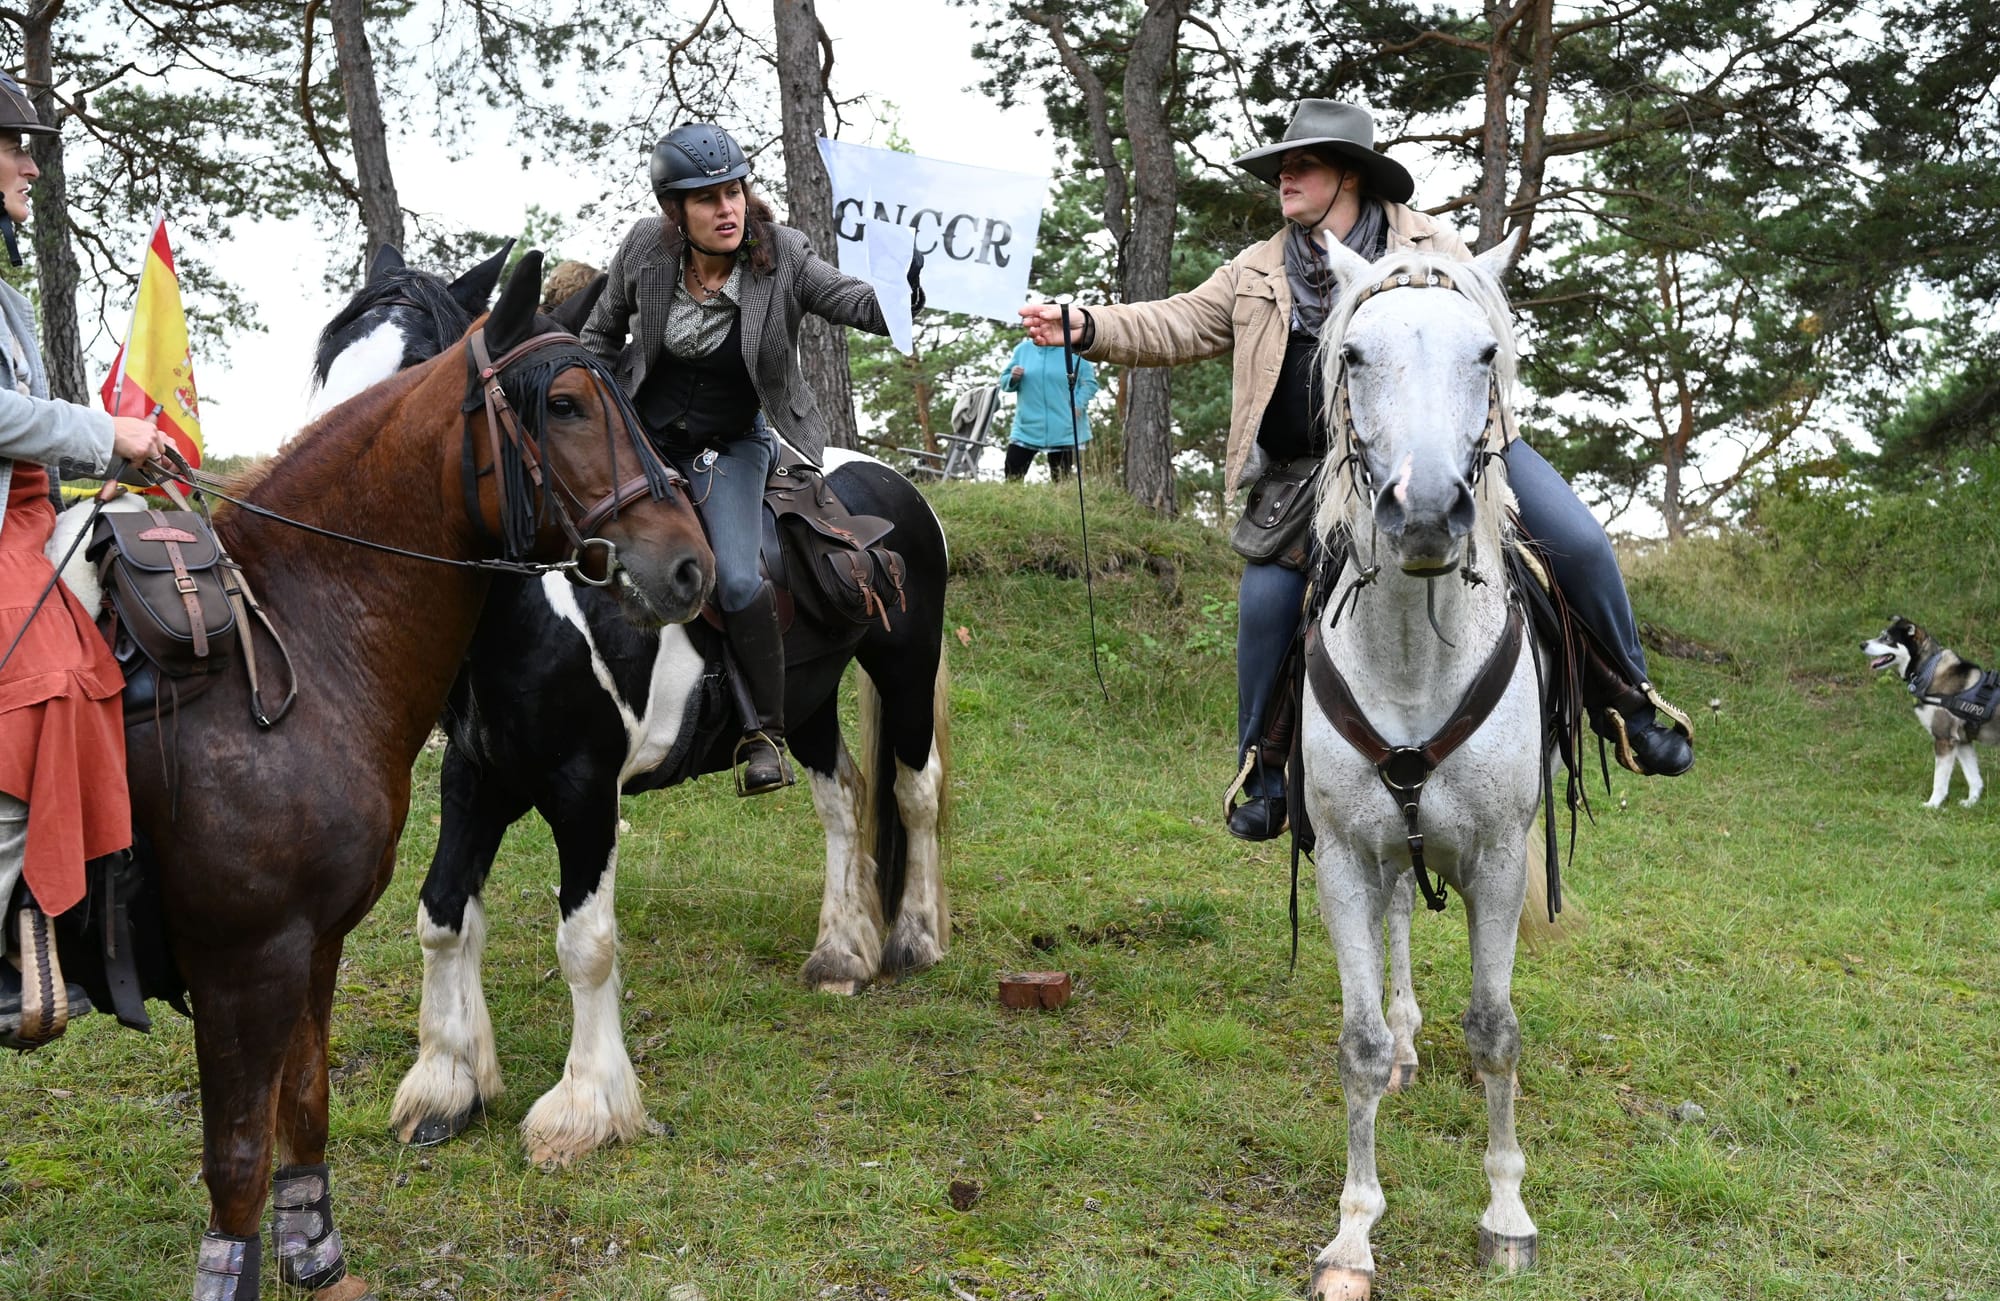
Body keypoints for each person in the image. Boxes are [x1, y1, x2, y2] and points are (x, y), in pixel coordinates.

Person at [1020, 99, 1694, 842]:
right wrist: (1083, 325)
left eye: (1302, 164)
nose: (1286, 176)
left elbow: (1482, 344)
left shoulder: (1431, 243)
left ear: (1349, 175)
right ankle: (1265, 766)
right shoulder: (1258, 269)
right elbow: (1177, 321)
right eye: (1281, 166)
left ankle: (1628, 703)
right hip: (1309, 470)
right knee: (1266, 603)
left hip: (1452, 452)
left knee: (1582, 540)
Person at [582, 123, 921, 795]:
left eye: (735, 190)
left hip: (728, 447)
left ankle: (763, 731)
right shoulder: (645, 251)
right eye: (709, 198)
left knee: (737, 578)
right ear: (674, 211)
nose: (728, 208)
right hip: (642, 441)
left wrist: (902, 287)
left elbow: (857, 303)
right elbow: (598, 334)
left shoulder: (784, 254)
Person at [0, 73, 177, 1044]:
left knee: (96, 669)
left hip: (28, 520)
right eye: (14, 145)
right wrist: (105, 433)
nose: (30, 163)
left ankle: (65, 922)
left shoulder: (9, 303)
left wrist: (81, 489)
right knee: (46, 681)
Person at [998, 334, 1096, 482]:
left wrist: (1078, 404)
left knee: (1061, 482)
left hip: (1064, 426)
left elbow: (1089, 384)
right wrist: (1013, 378)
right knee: (1012, 477)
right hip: (1026, 426)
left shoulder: (1074, 352)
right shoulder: (1022, 350)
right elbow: (1005, 382)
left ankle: (1059, 505)